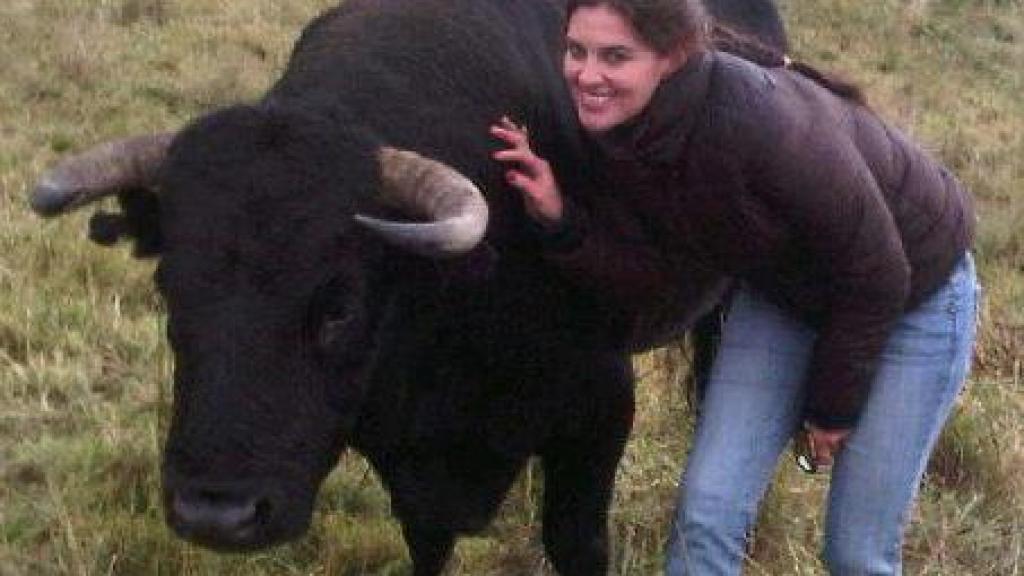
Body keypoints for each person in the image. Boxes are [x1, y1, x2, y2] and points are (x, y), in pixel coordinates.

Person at [489, 0, 980, 574]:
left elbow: (876, 272)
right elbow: (654, 279)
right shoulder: (622, 127)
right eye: (576, 50)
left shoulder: (763, 124)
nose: (587, 74)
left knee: (855, 551)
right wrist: (559, 217)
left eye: (615, 56)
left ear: (670, 59)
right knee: (707, 514)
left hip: (915, 299)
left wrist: (830, 410)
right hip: (786, 292)